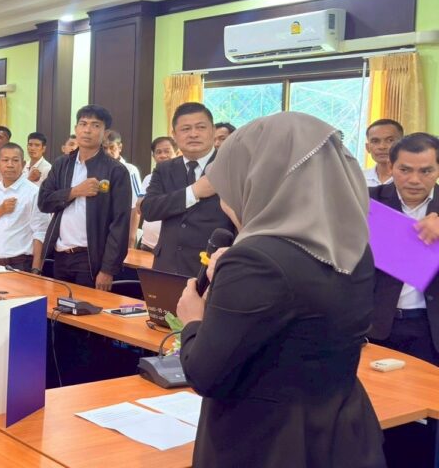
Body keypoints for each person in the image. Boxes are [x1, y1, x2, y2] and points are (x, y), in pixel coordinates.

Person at [176, 112, 385, 468]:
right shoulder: (356, 248)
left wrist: (194, 320)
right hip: (342, 433)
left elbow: (204, 374)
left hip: (267, 442)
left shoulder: (254, 260)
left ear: (257, 180)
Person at [38, 105, 132, 290]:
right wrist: (75, 191)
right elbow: (44, 202)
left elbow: (120, 224)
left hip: (90, 258)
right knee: (57, 306)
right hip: (59, 254)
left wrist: (108, 269)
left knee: (86, 307)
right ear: (76, 128)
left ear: (105, 133)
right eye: (83, 124)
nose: (87, 130)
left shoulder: (116, 170)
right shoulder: (62, 164)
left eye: (95, 125)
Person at [368, 132, 439, 366]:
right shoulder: (368, 202)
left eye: (426, 171)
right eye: (405, 170)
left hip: (430, 328)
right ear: (391, 166)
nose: (414, 180)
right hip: (377, 327)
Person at [140, 102, 235, 277]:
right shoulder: (164, 169)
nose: (193, 134)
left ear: (213, 131)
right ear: (174, 135)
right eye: (185, 129)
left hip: (214, 270)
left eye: (201, 127)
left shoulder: (231, 167)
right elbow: (149, 209)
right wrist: (193, 192)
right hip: (167, 267)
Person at [0, 143, 49, 272]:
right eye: (5, 160)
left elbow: (41, 233)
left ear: (23, 164)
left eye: (15, 160)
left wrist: (36, 270)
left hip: (20, 264)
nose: (10, 165)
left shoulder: (34, 192)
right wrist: (1, 209)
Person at [138, 136, 178, 251]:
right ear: (153, 156)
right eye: (158, 152)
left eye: (167, 151)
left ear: (177, 153)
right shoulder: (148, 178)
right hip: (147, 243)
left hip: (171, 247)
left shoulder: (183, 178)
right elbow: (140, 208)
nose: (163, 155)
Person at [103, 129, 144, 206]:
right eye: (104, 148)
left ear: (120, 147)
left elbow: (136, 204)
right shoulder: (97, 169)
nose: (107, 152)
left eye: (112, 147)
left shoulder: (130, 170)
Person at [364, 119, 404, 187]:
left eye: (390, 140)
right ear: (367, 147)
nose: (382, 147)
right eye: (375, 141)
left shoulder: (411, 179)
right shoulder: (358, 178)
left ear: (403, 144)